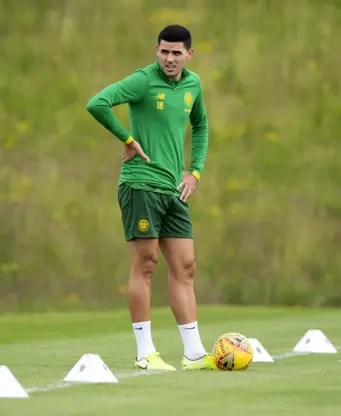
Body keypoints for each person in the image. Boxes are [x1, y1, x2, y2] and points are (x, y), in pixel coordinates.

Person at [86, 24, 217, 370]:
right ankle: (145, 353)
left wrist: (195, 170)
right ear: (156, 51)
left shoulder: (194, 84)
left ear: (190, 54)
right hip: (141, 184)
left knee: (186, 267)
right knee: (146, 265)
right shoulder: (143, 81)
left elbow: (201, 125)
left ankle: (194, 354)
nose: (169, 59)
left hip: (174, 189)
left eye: (176, 53)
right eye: (164, 51)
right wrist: (127, 139)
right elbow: (97, 103)